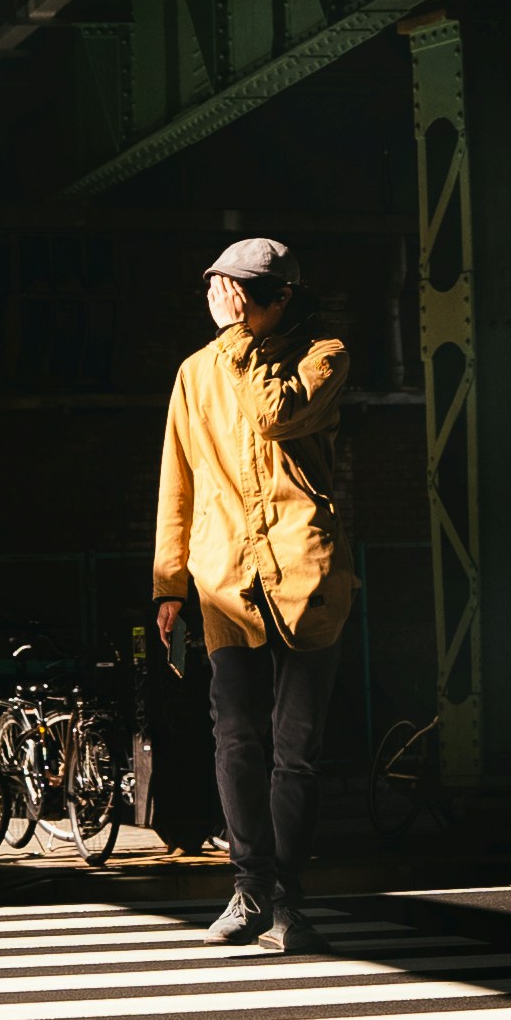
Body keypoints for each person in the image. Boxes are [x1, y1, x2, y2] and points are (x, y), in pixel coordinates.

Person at [152, 235, 352, 952]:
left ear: (280, 300)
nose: (226, 300)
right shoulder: (193, 374)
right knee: (236, 739)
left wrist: (238, 340)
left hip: (306, 577)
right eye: (222, 289)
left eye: (241, 292)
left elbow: (277, 415)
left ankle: (291, 904)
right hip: (224, 578)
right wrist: (170, 583)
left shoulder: (322, 355)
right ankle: (249, 888)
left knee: (295, 749)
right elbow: (180, 482)